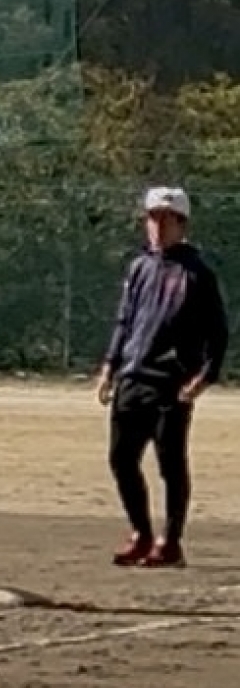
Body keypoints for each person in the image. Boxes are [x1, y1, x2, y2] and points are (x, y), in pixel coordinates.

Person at [97, 186, 228, 569]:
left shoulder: (198, 273)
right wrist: (110, 366)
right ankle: (140, 533)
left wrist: (204, 377)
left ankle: (170, 542)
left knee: (170, 464)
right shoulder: (140, 267)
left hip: (171, 382)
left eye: (166, 219)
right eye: (152, 218)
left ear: (182, 224)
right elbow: (125, 319)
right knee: (121, 459)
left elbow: (218, 332)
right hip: (132, 376)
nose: (157, 226)